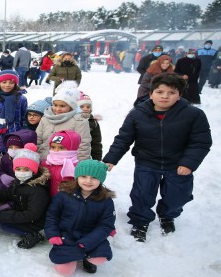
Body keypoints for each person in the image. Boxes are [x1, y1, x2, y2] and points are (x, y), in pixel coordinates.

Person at [103, 73, 211, 242]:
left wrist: (188, 163)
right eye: (160, 92)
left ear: (179, 95)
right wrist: (111, 159)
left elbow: (201, 142)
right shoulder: (137, 114)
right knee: (142, 194)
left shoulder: (193, 115)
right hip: (147, 162)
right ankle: (140, 221)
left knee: (178, 196)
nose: (165, 96)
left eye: (171, 92)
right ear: (151, 93)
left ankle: (167, 214)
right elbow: (124, 138)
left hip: (178, 164)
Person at [45, 160, 116, 276]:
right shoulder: (63, 195)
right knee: (65, 271)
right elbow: (52, 216)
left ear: (101, 180)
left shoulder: (106, 201)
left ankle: (87, 258)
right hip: (67, 236)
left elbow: (106, 225)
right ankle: (76, 255)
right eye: (83, 176)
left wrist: (89, 241)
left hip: (91, 237)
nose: (88, 181)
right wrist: (53, 234)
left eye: (93, 177)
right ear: (77, 177)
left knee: (100, 258)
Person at [0, 143, 51, 248]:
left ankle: (34, 234)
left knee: (1, 222)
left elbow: (32, 214)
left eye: (26, 169)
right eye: (18, 169)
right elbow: (8, 194)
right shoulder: (19, 182)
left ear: (33, 172)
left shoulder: (37, 190)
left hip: (36, 222)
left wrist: (8, 216)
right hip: (22, 213)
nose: (21, 173)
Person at [35, 81, 91, 160]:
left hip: (67, 163)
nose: (58, 109)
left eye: (62, 106)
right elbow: (38, 140)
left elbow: (83, 145)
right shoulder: (46, 118)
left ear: (71, 106)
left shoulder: (79, 121)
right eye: (55, 105)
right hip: (45, 160)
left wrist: (80, 165)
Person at [42, 130, 81, 197]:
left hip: (65, 202)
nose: (56, 151)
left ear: (72, 148)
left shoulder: (76, 166)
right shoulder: (46, 163)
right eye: (53, 147)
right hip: (46, 200)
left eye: (61, 148)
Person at [78, 93, 102, 161]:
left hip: (84, 156)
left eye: (88, 107)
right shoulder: (71, 120)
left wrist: (97, 159)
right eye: (82, 106)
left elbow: (96, 142)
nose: (85, 109)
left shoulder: (93, 123)